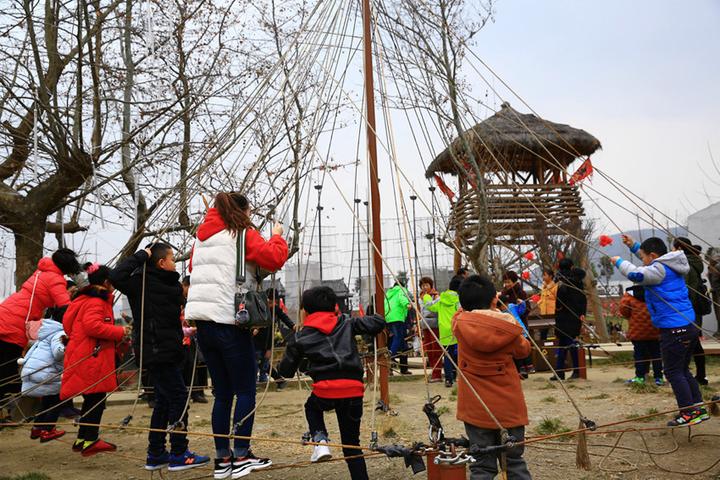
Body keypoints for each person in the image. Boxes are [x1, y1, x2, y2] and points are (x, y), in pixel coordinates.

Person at [185, 192, 288, 479]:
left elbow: (200, 271)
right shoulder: (241, 233)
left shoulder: (201, 238)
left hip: (204, 323)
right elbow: (273, 257)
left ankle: (223, 458)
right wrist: (277, 236)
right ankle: (242, 454)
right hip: (230, 321)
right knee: (245, 389)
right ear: (241, 211)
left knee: (223, 393)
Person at [110, 244, 209, 471]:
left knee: (164, 401)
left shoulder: (171, 284)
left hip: (171, 349)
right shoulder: (140, 283)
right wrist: (142, 255)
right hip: (155, 350)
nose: (175, 262)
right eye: (172, 258)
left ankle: (156, 453)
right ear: (161, 262)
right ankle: (178, 452)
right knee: (178, 398)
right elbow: (116, 275)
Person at [277, 286, 385, 480]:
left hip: (325, 391)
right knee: (352, 445)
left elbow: (285, 371)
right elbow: (378, 322)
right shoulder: (346, 322)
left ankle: (320, 441)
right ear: (335, 306)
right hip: (353, 390)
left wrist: (300, 357)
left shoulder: (301, 335)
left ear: (305, 310)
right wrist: (340, 315)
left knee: (312, 408)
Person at [613, 235, 708, 426]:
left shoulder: (659, 269)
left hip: (673, 328)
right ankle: (697, 408)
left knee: (673, 371)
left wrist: (619, 261)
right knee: (682, 369)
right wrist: (634, 246)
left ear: (653, 255)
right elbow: (652, 260)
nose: (643, 260)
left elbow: (637, 275)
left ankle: (688, 412)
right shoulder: (671, 264)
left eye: (643, 256)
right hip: (687, 324)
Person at [453, 275, 532, 480]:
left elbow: (460, 313)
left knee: (481, 466)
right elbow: (524, 350)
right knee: (514, 461)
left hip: (475, 407)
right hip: (508, 405)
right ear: (494, 300)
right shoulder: (508, 328)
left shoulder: (459, 325)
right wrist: (500, 314)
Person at [0, 248, 80, 420]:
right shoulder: (55, 279)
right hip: (13, 324)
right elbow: (66, 307)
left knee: (7, 370)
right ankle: (20, 410)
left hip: (7, 313)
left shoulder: (42, 271)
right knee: (7, 372)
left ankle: (16, 408)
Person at [60, 263, 131, 456]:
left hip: (84, 353)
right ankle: (90, 439)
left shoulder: (83, 299)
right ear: (107, 283)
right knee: (96, 399)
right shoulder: (96, 302)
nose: (114, 288)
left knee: (91, 398)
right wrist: (120, 331)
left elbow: (72, 325)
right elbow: (93, 326)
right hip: (92, 356)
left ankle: (83, 439)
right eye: (113, 284)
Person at [20, 305, 69, 442]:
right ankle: (47, 430)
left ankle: (37, 428)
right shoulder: (60, 333)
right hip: (45, 372)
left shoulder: (47, 330)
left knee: (48, 399)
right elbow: (59, 353)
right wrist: (69, 344)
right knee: (59, 399)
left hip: (35, 370)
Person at [673, 238, 708, 385]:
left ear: (680, 247)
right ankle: (700, 375)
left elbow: (687, 290)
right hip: (694, 310)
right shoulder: (695, 262)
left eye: (674, 248)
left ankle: (688, 376)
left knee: (688, 343)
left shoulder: (685, 265)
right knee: (693, 343)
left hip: (687, 310)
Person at [619, 286, 664, 386]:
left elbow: (623, 310)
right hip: (655, 330)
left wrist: (631, 316)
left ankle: (640, 376)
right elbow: (661, 309)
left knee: (639, 355)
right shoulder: (655, 292)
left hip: (637, 331)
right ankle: (658, 377)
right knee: (656, 354)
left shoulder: (629, 295)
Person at [551, 259, 586, 381]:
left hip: (563, 317)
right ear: (571, 267)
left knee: (564, 345)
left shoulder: (561, 283)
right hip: (575, 317)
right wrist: (582, 313)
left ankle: (562, 371)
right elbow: (583, 300)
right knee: (571, 343)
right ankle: (574, 370)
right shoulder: (578, 283)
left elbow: (559, 303)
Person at [253, 288, 295, 389]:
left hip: (268, 340)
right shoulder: (259, 307)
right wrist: (254, 329)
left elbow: (284, 317)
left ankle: (277, 380)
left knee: (264, 364)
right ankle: (273, 381)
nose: (270, 304)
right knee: (255, 362)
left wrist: (293, 326)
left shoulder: (275, 309)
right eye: (268, 301)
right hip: (255, 340)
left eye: (272, 302)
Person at [427, 275, 462, 387]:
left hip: (444, 331)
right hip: (456, 329)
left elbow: (431, 307)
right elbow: (462, 312)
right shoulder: (459, 299)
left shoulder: (441, 299)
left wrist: (427, 297)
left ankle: (448, 379)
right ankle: (457, 376)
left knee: (447, 356)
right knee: (459, 354)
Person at [180, 277, 208, 404]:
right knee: (184, 366)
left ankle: (196, 392)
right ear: (185, 286)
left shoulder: (189, 300)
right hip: (181, 337)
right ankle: (187, 392)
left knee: (193, 365)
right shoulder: (178, 299)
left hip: (189, 338)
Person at [383, 281, 411, 375]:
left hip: (388, 318)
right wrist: (408, 304)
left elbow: (385, 306)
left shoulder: (389, 294)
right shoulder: (401, 290)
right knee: (398, 338)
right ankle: (390, 355)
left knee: (400, 342)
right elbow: (402, 298)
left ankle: (401, 366)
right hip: (398, 317)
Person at [419, 277, 442, 382]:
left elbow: (435, 310)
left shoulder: (436, 296)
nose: (424, 287)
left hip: (434, 325)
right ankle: (434, 372)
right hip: (425, 325)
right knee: (429, 350)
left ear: (431, 286)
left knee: (435, 349)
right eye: (422, 286)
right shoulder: (421, 297)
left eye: (427, 285)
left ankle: (437, 374)